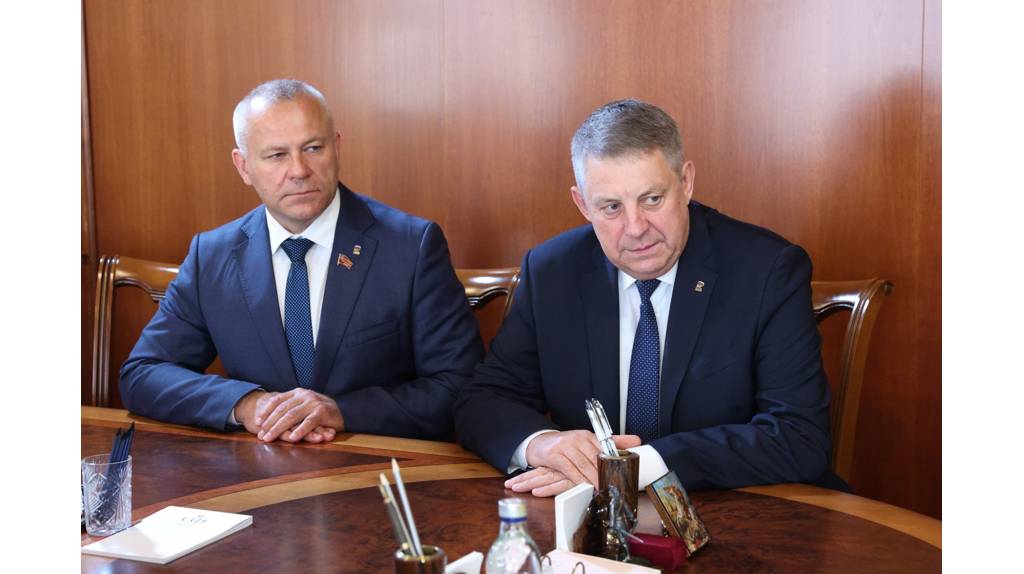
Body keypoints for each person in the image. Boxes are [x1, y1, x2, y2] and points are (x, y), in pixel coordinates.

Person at [454, 99, 834, 496]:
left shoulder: (766, 270)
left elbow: (799, 435)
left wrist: (635, 466)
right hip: (593, 516)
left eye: (652, 199)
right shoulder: (553, 271)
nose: (635, 228)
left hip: (740, 510)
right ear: (582, 204)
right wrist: (543, 444)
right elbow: (483, 400)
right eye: (611, 207)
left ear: (685, 182)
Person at [121, 79, 483, 444]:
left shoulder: (411, 246)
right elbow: (143, 373)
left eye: (313, 148)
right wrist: (246, 405)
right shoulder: (212, 255)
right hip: (255, 468)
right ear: (243, 166)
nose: (298, 170)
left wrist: (341, 411)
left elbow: (461, 385)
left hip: (376, 466)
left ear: (336, 147)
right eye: (277, 155)